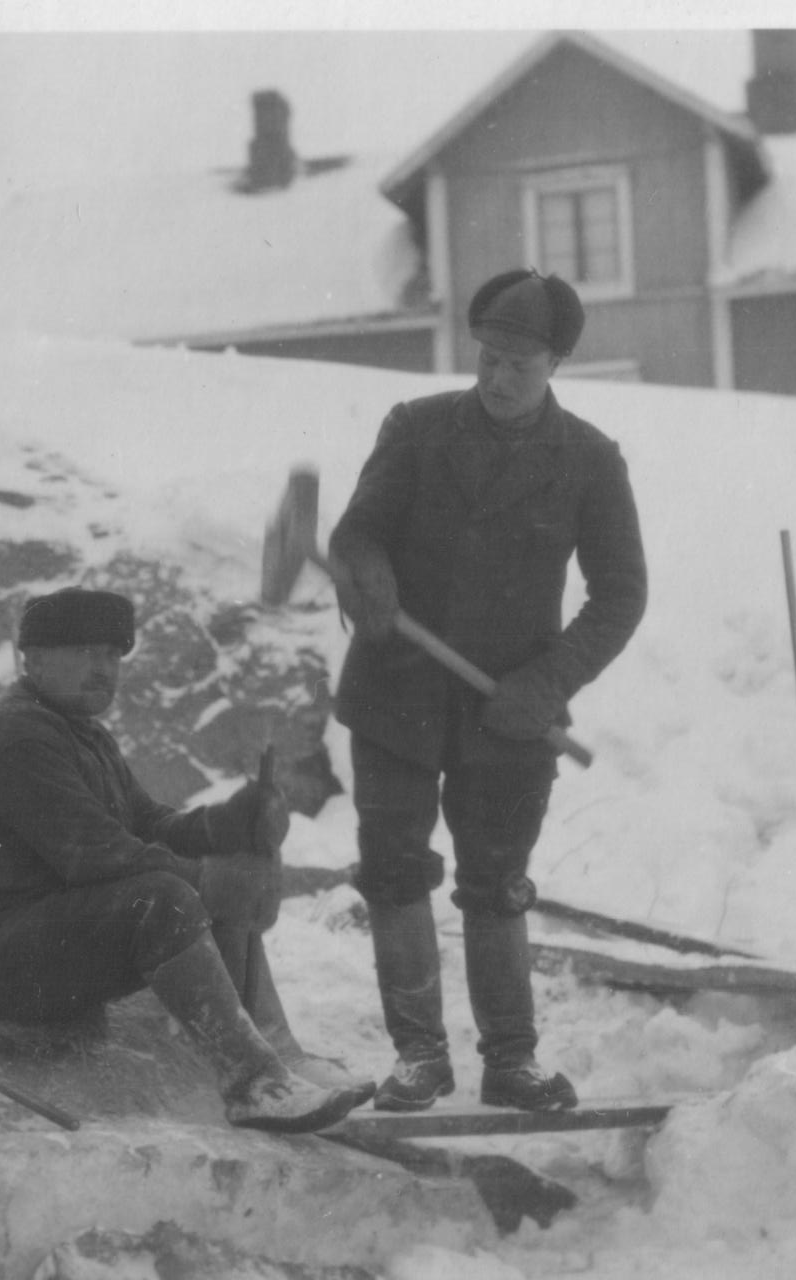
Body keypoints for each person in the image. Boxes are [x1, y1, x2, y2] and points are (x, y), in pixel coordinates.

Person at [328, 269, 648, 1114]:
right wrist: (365, 569)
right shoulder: (417, 429)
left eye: (521, 365)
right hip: (395, 695)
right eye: (489, 358)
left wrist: (548, 681)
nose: (500, 378)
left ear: (555, 365)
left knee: (498, 880)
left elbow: (621, 594)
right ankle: (419, 1058)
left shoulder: (589, 460)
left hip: (508, 712)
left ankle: (511, 1060)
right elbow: (358, 533)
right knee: (394, 871)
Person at [0, 586, 372, 1134]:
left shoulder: (83, 735)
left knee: (200, 881)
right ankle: (253, 1082)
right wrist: (211, 881)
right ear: (33, 659)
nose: (103, 669)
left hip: (30, 945)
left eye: (112, 655)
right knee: (165, 897)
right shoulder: (16, 737)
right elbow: (96, 853)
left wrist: (228, 825)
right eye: (85, 652)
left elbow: (149, 824)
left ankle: (278, 1056)